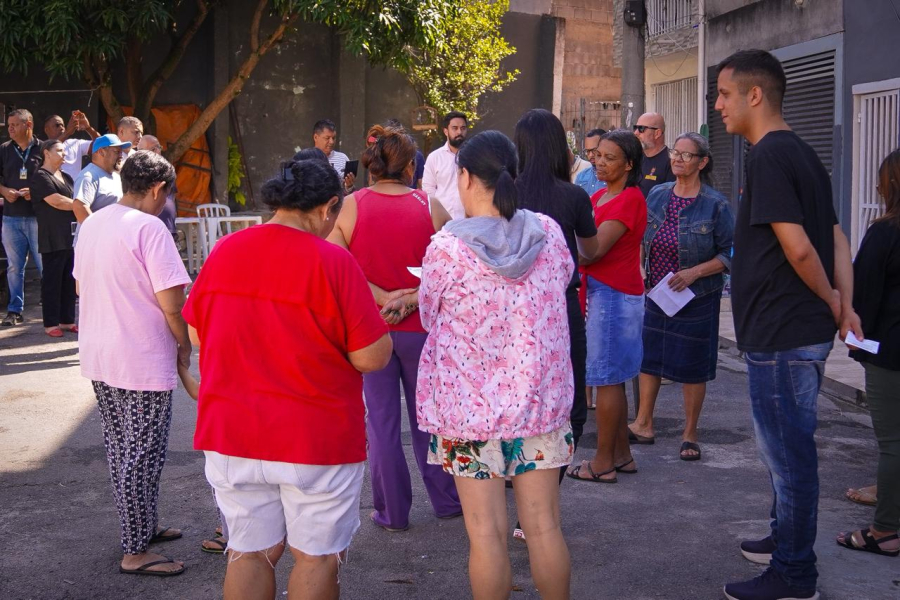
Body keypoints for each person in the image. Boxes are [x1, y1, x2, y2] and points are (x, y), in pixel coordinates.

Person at [183, 158, 392, 599]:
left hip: (233, 432)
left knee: (248, 551)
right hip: (314, 437)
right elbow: (372, 357)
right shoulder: (333, 262)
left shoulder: (226, 250)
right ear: (328, 206)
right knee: (317, 557)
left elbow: (197, 331)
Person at [715, 49, 862, 600]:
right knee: (786, 450)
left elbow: (801, 248)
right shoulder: (801, 152)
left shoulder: (770, 155)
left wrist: (832, 299)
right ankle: (784, 539)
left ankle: (795, 573)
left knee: (789, 457)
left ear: (755, 95)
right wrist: (844, 305)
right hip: (794, 330)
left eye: (724, 94)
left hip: (783, 332)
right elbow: (837, 237)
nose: (718, 105)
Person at [417, 130, 574, 600]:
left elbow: (428, 314)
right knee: (544, 526)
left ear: (465, 177)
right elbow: (563, 281)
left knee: (485, 534)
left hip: (469, 413)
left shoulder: (447, 248)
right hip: (539, 403)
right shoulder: (548, 233)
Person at [327, 124, 460, 532]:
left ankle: (392, 512)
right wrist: (410, 297)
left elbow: (337, 266)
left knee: (381, 423)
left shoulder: (351, 206)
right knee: (428, 420)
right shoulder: (430, 206)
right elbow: (454, 267)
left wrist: (381, 297)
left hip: (370, 330)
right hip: (422, 329)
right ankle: (446, 500)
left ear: (372, 167)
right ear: (411, 167)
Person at [73, 150, 193, 577]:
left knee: (124, 449)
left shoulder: (93, 223)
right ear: (158, 189)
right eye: (168, 194)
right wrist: (184, 347)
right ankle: (135, 551)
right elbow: (173, 304)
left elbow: (81, 285)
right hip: (139, 357)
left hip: (101, 352)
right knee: (142, 455)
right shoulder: (149, 227)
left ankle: (141, 528)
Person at [513, 109, 599, 535]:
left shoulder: (504, 193)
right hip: (560, 309)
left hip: (510, 310)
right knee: (568, 406)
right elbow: (591, 249)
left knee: (515, 401)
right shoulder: (574, 196)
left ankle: (518, 498)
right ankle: (538, 505)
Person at [627, 132, 735, 460]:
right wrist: (640, 268)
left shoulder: (715, 204)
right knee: (650, 359)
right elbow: (641, 237)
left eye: (687, 155)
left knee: (692, 365)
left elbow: (730, 253)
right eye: (676, 152)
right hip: (657, 293)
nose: (677, 159)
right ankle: (643, 423)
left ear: (702, 162)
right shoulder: (658, 194)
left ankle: (690, 433)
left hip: (696, 296)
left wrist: (694, 273)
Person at [567, 129, 646, 484]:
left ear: (629, 165)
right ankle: (621, 455)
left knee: (607, 380)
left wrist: (564, 245)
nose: (599, 162)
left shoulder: (629, 199)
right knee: (613, 378)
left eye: (609, 158)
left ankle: (602, 463)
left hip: (613, 295)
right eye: (598, 155)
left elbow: (594, 250)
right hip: (605, 293)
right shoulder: (601, 195)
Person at [835, 149, 900, 559]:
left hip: (891, 352)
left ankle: (886, 529)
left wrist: (856, 341)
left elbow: (864, 298)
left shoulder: (885, 232)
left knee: (893, 440)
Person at [30, 139, 78, 337]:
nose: (64, 154)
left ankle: (67, 320)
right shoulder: (40, 177)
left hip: (70, 236)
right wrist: (80, 205)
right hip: (52, 237)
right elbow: (56, 201)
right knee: (52, 281)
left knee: (69, 279)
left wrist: (78, 204)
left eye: (64, 150)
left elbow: (73, 198)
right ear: (46, 153)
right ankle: (51, 324)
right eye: (59, 150)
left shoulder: (66, 176)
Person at [0, 109, 42, 327]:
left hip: (38, 217)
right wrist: (4, 191)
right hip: (11, 218)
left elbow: (55, 178)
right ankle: (14, 310)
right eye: (9, 125)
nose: (10, 129)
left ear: (28, 125)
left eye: (15, 124)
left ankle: (51, 309)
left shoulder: (43, 148)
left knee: (45, 265)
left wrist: (36, 191)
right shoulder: (4, 150)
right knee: (14, 267)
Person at [72, 134, 131, 244]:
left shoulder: (115, 176)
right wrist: (100, 234)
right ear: (101, 152)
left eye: (121, 152)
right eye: (117, 151)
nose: (121, 156)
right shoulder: (89, 176)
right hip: (93, 244)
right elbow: (79, 207)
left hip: (111, 242)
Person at [422, 111, 468, 219]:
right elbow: (428, 189)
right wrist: (437, 214)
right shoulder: (435, 157)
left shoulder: (474, 156)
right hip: (443, 220)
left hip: (469, 220)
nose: (459, 132)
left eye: (463, 128)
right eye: (455, 128)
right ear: (446, 131)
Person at [137, 136, 178, 238]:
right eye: (153, 149)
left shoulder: (167, 169)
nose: (158, 151)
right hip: (149, 229)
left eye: (158, 147)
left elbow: (172, 196)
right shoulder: (137, 172)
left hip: (168, 225)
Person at [43, 111, 100, 180]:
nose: (61, 128)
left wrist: (88, 128)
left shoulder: (75, 143)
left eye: (62, 125)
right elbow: (52, 147)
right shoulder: (42, 147)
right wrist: (67, 132)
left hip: (74, 186)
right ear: (47, 130)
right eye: (57, 125)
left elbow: (101, 144)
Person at [634, 113, 675, 199]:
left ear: (657, 133)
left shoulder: (672, 161)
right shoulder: (635, 157)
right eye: (635, 128)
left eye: (641, 128)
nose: (636, 133)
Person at [312, 118, 355, 194]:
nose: (331, 142)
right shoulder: (305, 158)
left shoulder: (342, 158)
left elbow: (349, 191)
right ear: (316, 137)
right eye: (327, 138)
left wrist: (349, 186)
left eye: (333, 138)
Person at [574, 128, 607, 197]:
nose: (590, 155)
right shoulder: (581, 177)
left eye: (594, 150)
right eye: (587, 151)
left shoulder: (613, 176)